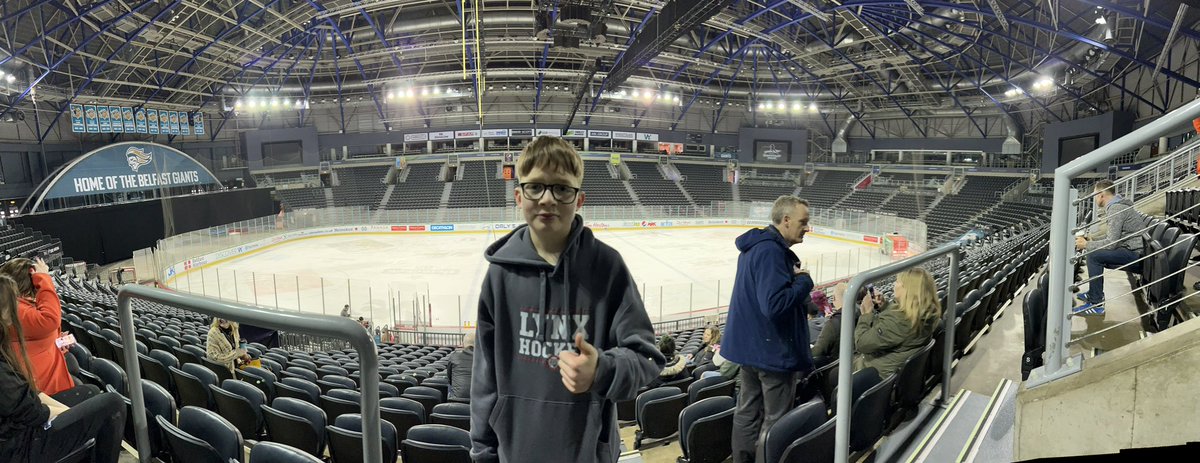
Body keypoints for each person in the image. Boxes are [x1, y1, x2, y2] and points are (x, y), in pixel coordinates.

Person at [471, 136, 665, 463]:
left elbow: (646, 359)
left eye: (562, 188)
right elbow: (484, 381)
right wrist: (483, 453)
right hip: (516, 453)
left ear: (579, 199)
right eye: (536, 187)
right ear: (519, 196)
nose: (548, 199)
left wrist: (601, 369)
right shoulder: (499, 277)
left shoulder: (607, 267)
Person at [722, 195, 815, 463]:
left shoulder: (759, 246)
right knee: (776, 421)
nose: (807, 227)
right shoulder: (771, 252)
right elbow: (774, 305)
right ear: (786, 221)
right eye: (803, 222)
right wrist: (804, 282)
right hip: (772, 352)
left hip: (752, 349)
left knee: (747, 412)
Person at [0, 274, 127, 463]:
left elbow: (31, 395)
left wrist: (77, 415)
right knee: (113, 403)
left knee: (90, 395)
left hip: (21, 429)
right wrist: (76, 418)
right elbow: (36, 413)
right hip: (18, 449)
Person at [0, 257, 95, 405]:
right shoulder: (15, 309)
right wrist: (43, 278)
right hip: (43, 394)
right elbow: (50, 320)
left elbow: (33, 338)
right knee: (97, 396)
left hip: (44, 384)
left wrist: (55, 341)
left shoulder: (20, 306)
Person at [853, 268, 941, 378]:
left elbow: (861, 344)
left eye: (898, 282)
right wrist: (885, 305)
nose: (895, 284)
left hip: (878, 374)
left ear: (907, 290)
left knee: (834, 374)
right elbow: (897, 326)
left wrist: (866, 315)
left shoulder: (898, 321)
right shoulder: (926, 312)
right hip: (898, 370)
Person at [1074, 180, 1144, 316]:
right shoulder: (1116, 206)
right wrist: (1093, 240)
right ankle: (1094, 293)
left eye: (1095, 195)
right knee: (1094, 252)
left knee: (1093, 255)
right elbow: (1114, 237)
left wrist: (1087, 244)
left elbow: (1112, 243)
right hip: (1131, 249)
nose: (1094, 199)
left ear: (1101, 195)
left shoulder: (1116, 209)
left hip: (1136, 254)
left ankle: (1096, 303)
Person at [812, 282, 868, 366]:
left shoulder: (833, 323)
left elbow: (818, 351)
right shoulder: (862, 312)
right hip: (858, 361)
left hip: (839, 368)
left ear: (834, 298)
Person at [447, 330, 475, 400]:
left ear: (463, 344)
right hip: (477, 402)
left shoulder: (454, 355)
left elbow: (449, 378)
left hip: (457, 401)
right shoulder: (485, 357)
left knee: (449, 384)